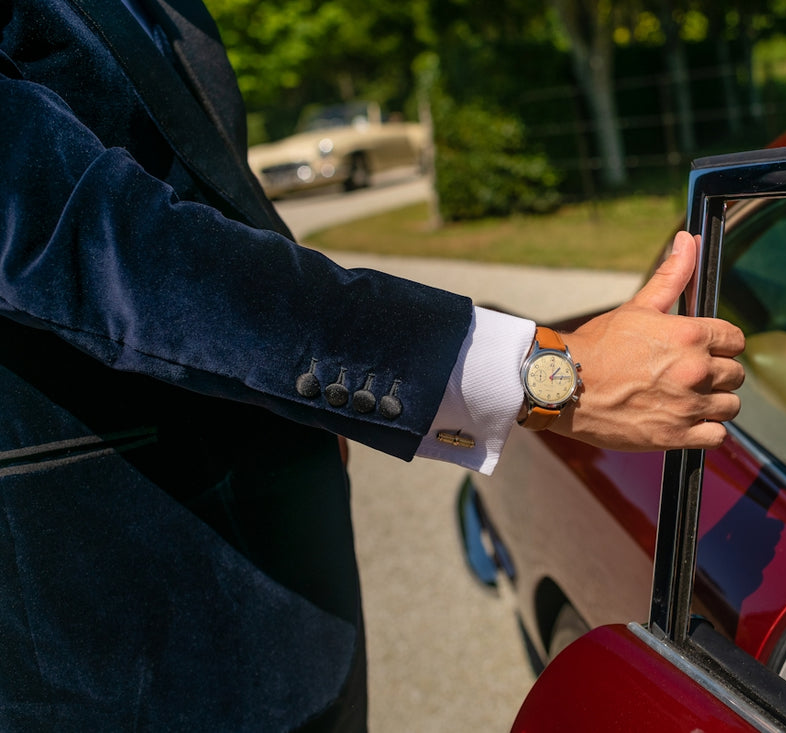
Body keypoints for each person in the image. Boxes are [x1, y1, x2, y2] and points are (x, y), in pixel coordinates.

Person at [0, 0, 745, 730]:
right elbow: (105, 241)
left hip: (296, 609)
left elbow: (225, 220)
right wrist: (547, 375)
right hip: (121, 639)